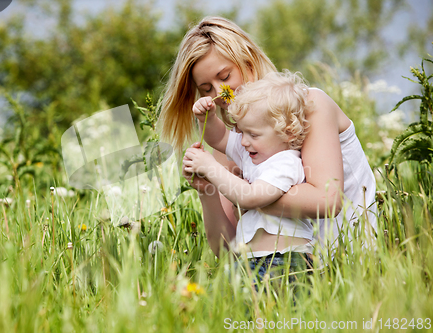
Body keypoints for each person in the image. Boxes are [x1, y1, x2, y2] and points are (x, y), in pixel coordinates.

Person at [159, 16, 377, 262]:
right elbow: (228, 249)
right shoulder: (236, 143)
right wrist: (207, 191)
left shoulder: (309, 106)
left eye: (225, 76)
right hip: (277, 273)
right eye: (207, 89)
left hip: (353, 261)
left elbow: (326, 201)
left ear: (249, 63)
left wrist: (241, 192)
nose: (220, 93)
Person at [183, 71, 314, 262]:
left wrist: (210, 167)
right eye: (241, 132)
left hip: (286, 260)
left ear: (288, 133)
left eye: (253, 134)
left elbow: (250, 197)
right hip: (253, 260)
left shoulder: (286, 163)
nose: (243, 141)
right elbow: (219, 138)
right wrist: (207, 119)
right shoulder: (253, 152)